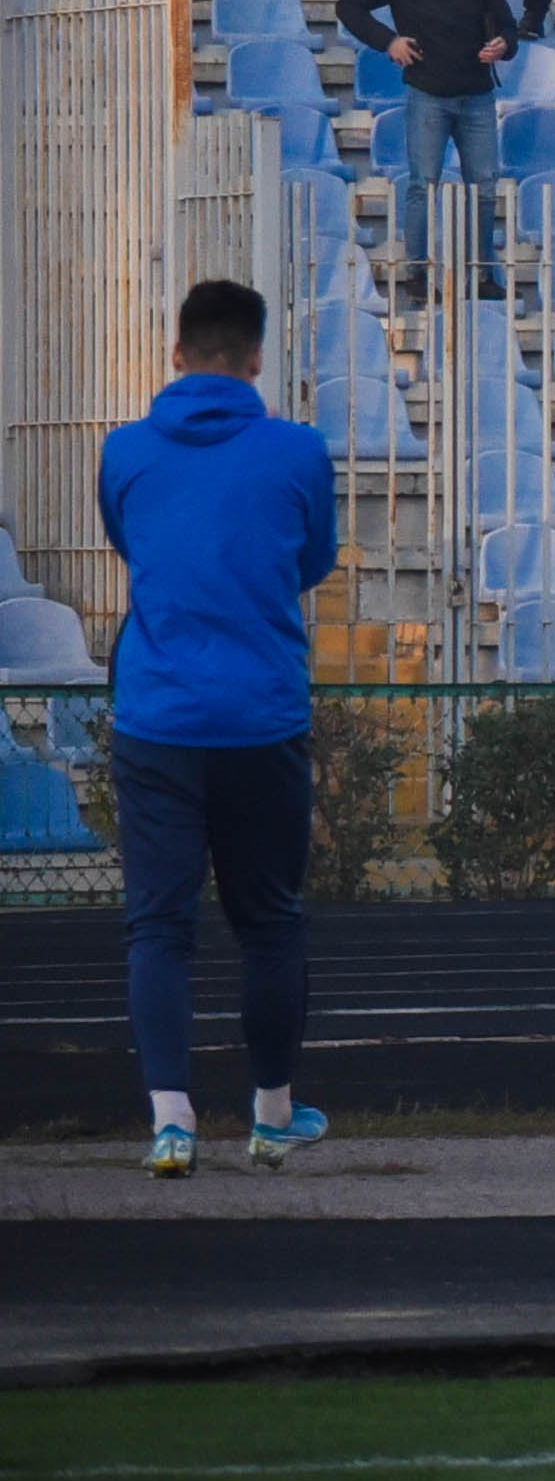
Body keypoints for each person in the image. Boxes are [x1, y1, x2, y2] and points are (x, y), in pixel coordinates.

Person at [99, 279, 342, 1177]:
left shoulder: (124, 452)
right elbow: (310, 558)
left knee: (156, 927)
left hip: (157, 714)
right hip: (261, 716)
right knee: (270, 923)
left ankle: (171, 1121)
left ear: (175, 353)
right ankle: (273, 1115)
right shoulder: (298, 450)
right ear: (256, 358)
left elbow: (134, 543)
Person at [335, 0, 518, 295]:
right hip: (428, 94)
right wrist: (389, 42)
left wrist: (503, 45)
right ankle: (417, 272)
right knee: (423, 185)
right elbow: (349, 5)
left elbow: (509, 27)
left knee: (484, 188)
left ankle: (482, 273)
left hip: (477, 95)